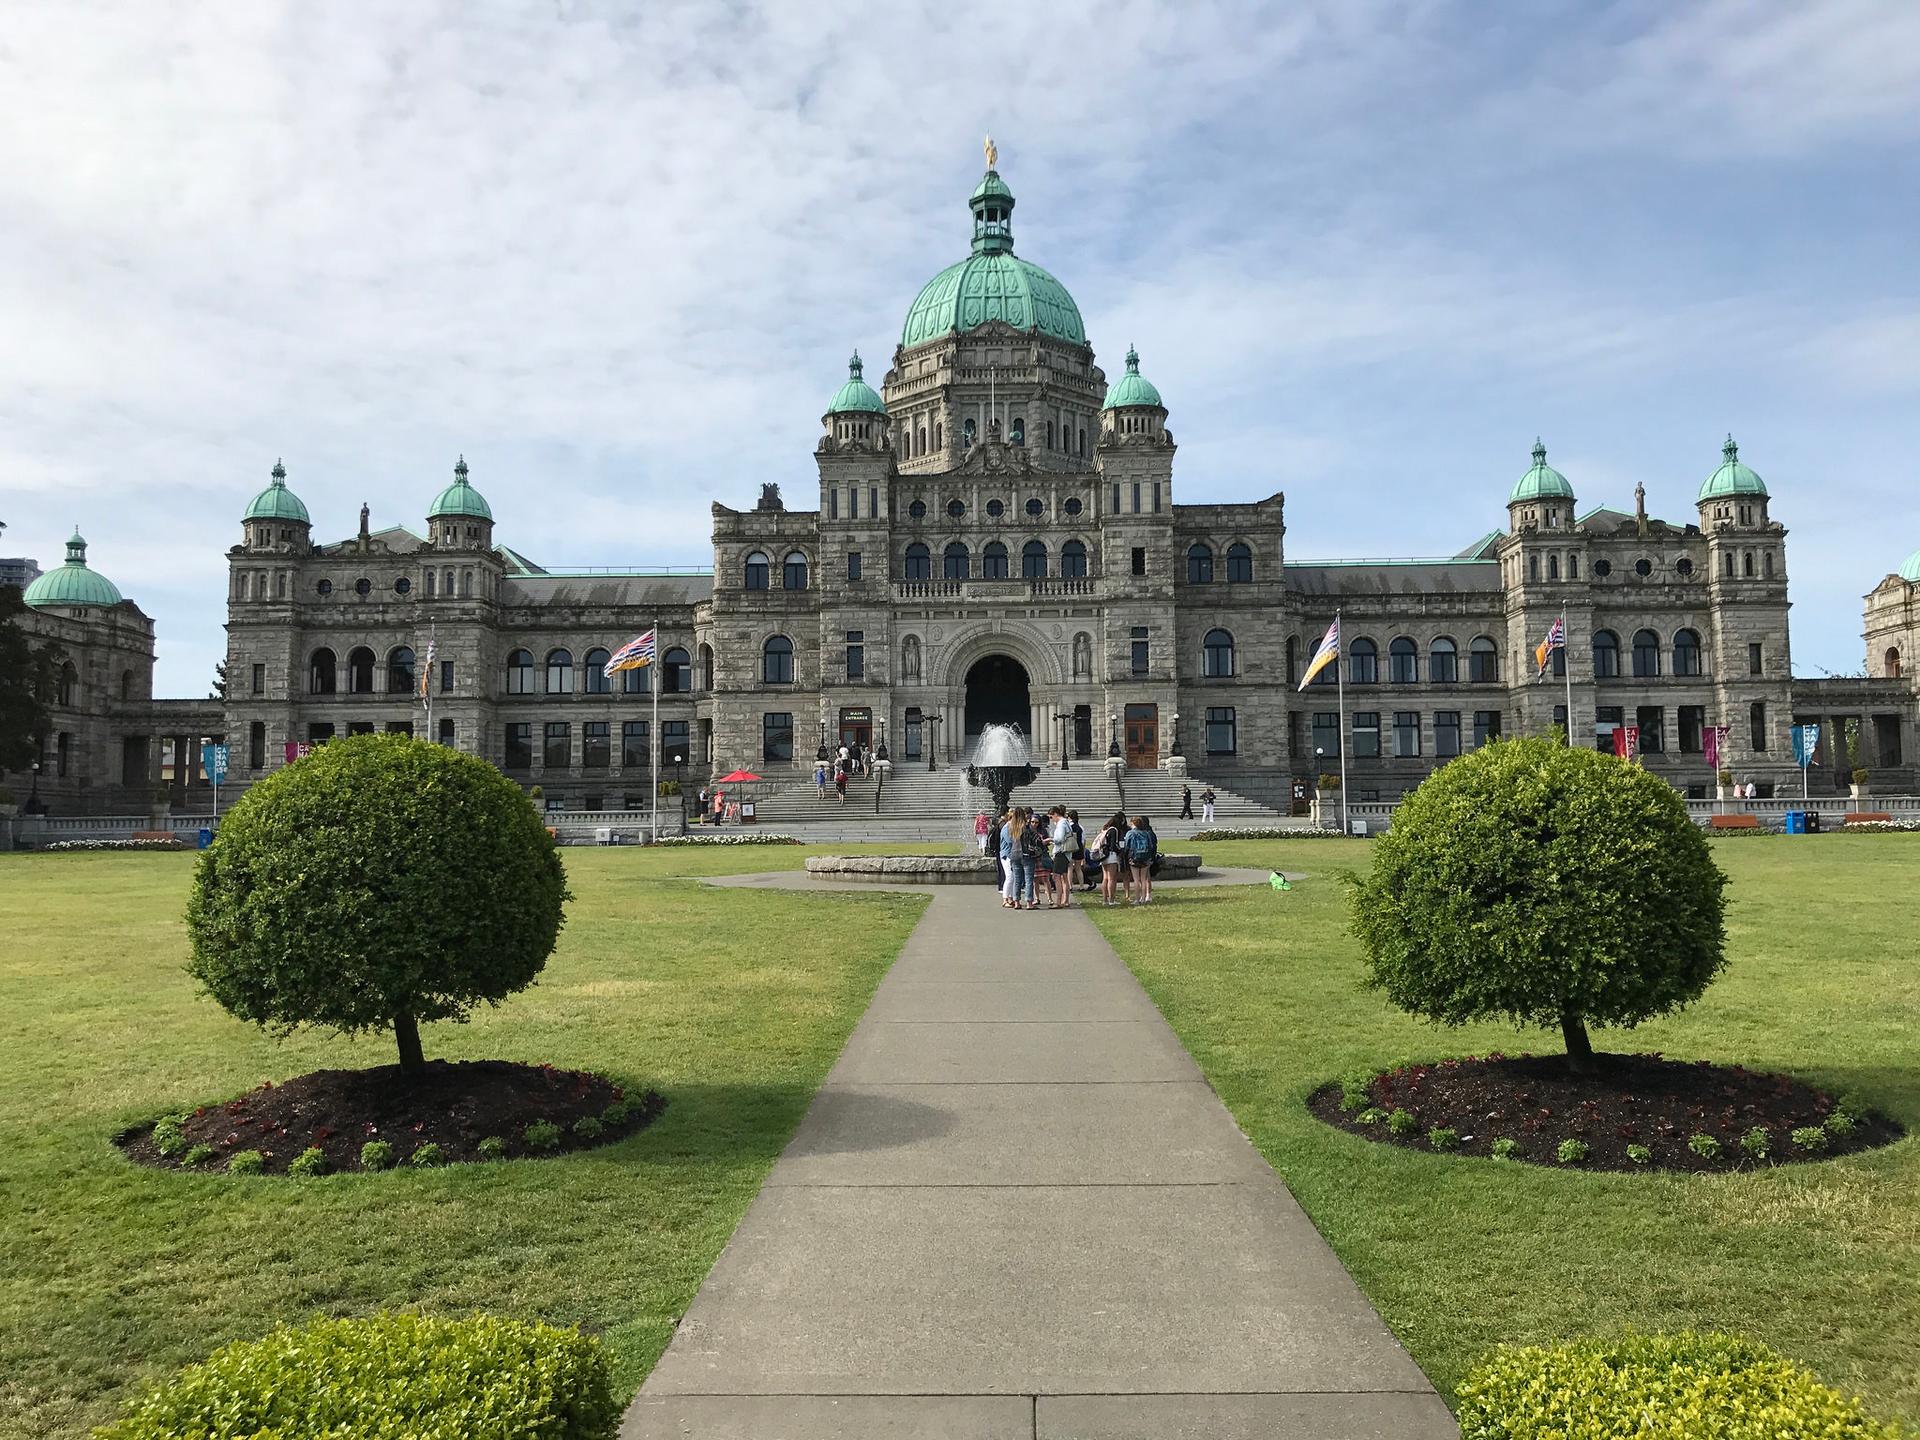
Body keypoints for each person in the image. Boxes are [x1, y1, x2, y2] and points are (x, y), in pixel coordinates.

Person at [1093, 811, 1126, 906]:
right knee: (1112, 878)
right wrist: (1120, 852)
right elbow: (1113, 845)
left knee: (1105, 878)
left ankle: (1105, 900)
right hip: (1111, 855)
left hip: (1104, 855)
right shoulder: (1114, 830)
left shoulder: (1106, 830)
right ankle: (1111, 899)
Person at [1047, 805, 1075, 909]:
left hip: (1061, 852)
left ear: (1055, 814)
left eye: (1051, 817)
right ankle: (1065, 900)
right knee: (1064, 877)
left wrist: (1050, 839)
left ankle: (1058, 901)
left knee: (1056, 876)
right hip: (1066, 853)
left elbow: (1059, 839)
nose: (1051, 819)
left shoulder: (1061, 823)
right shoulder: (1066, 822)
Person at [1123, 815, 1154, 904]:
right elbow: (1151, 845)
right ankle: (1144, 898)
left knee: (1136, 879)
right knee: (1143, 879)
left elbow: (1127, 846)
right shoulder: (1146, 833)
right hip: (1145, 857)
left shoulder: (1130, 833)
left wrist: (1126, 856)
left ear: (1133, 823)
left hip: (1134, 857)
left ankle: (1137, 899)